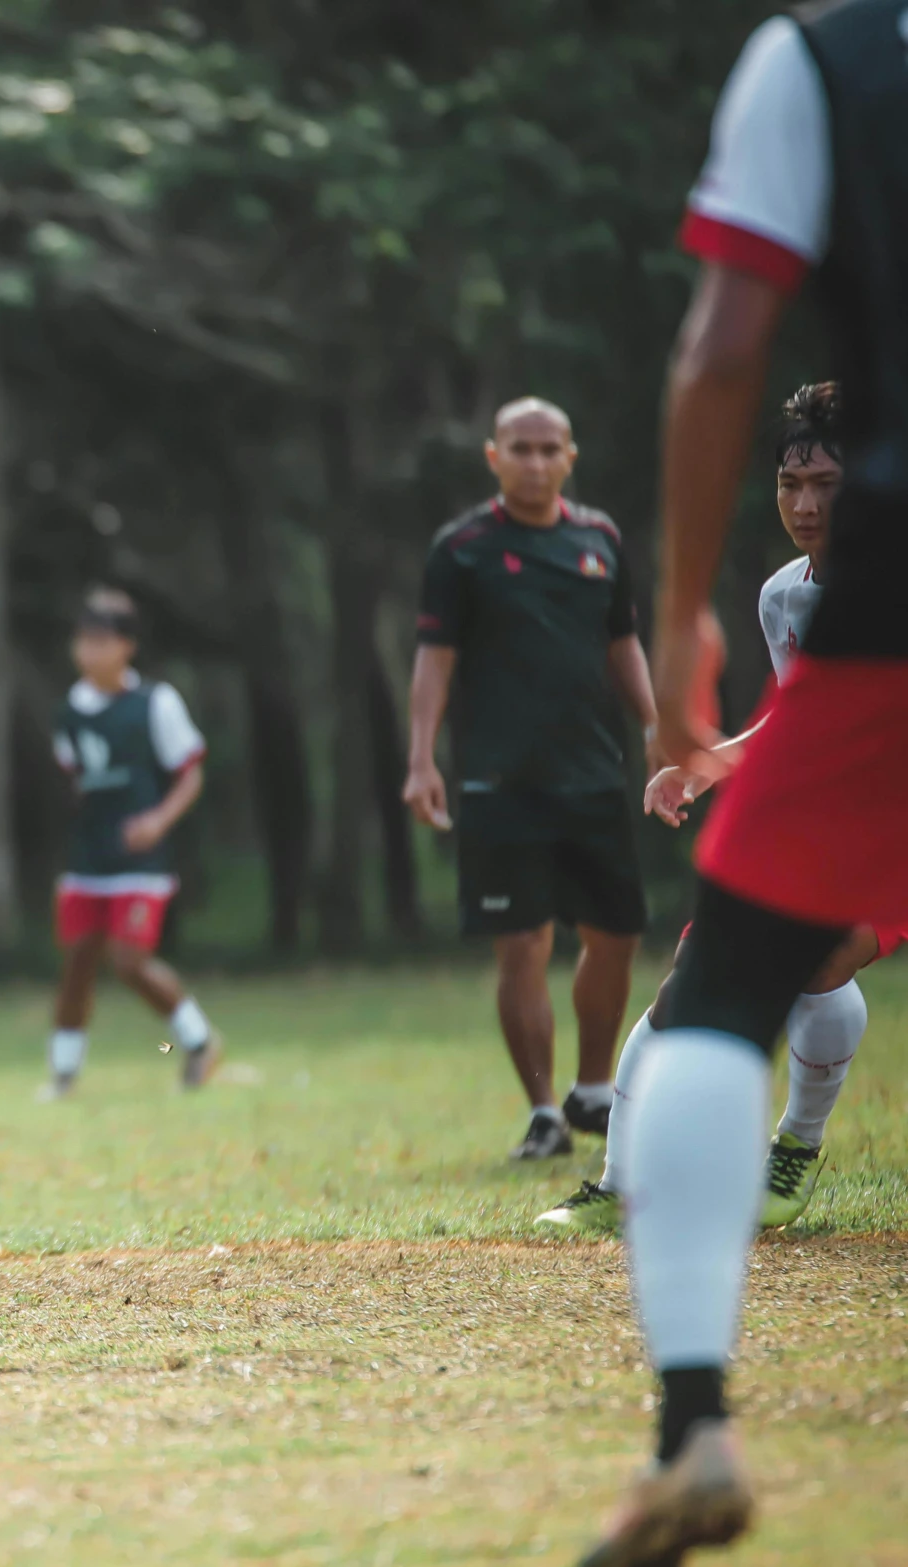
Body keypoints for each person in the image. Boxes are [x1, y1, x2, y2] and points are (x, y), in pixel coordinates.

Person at [577, 5, 908, 1562]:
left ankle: (691, 1420)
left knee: (727, 985)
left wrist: (675, 622)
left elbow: (720, 346)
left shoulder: (822, 60)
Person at [538, 384, 893, 1238]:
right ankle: (625, 1182)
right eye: (789, 483)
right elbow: (798, 719)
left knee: (814, 960)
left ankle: (792, 1145)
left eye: (828, 485)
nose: (805, 505)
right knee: (694, 986)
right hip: (826, 816)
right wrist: (705, 766)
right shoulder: (784, 596)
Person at [403, 399, 659, 1161]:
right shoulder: (462, 549)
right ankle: (546, 1110)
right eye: (521, 447)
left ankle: (592, 1088)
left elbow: (624, 641)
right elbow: (434, 659)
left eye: (550, 449)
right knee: (521, 943)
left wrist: (655, 726)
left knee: (616, 933)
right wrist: (422, 758)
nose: (536, 462)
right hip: (497, 779)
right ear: (493, 456)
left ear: (570, 456)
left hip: (591, 772)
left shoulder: (599, 538)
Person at [40, 588, 219, 1097]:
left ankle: (199, 1042)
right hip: (86, 860)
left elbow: (190, 773)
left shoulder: (154, 703)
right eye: (83, 641)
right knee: (76, 964)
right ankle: (63, 1076)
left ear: (128, 646)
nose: (89, 651)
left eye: (101, 640)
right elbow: (75, 780)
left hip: (141, 861)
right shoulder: (69, 713)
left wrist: (158, 821)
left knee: (128, 961)